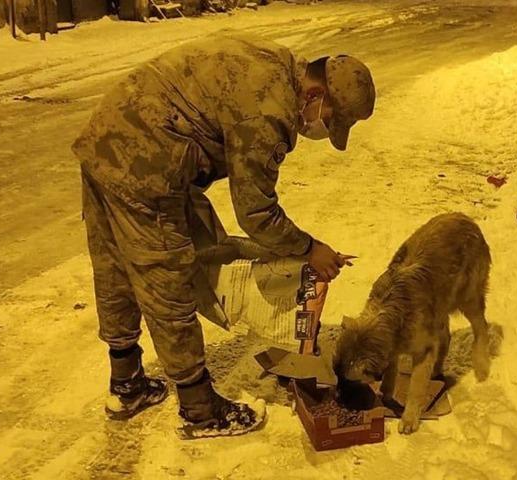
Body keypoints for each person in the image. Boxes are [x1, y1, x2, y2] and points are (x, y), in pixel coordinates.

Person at [71, 33, 375, 438]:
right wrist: (309, 249)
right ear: (315, 94)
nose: (320, 129)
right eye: (329, 118)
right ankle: (200, 411)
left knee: (115, 266)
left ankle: (127, 384)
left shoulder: (278, 63)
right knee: (168, 275)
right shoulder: (270, 111)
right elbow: (256, 212)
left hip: (107, 136)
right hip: (146, 159)